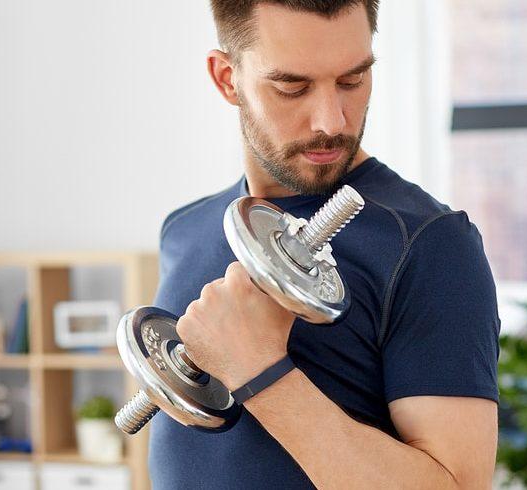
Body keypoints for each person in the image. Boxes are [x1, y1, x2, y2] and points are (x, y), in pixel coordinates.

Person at [149, 1, 500, 489]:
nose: (332, 122)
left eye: (352, 81)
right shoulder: (183, 230)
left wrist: (261, 371)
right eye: (292, 87)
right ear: (227, 78)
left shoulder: (431, 245)